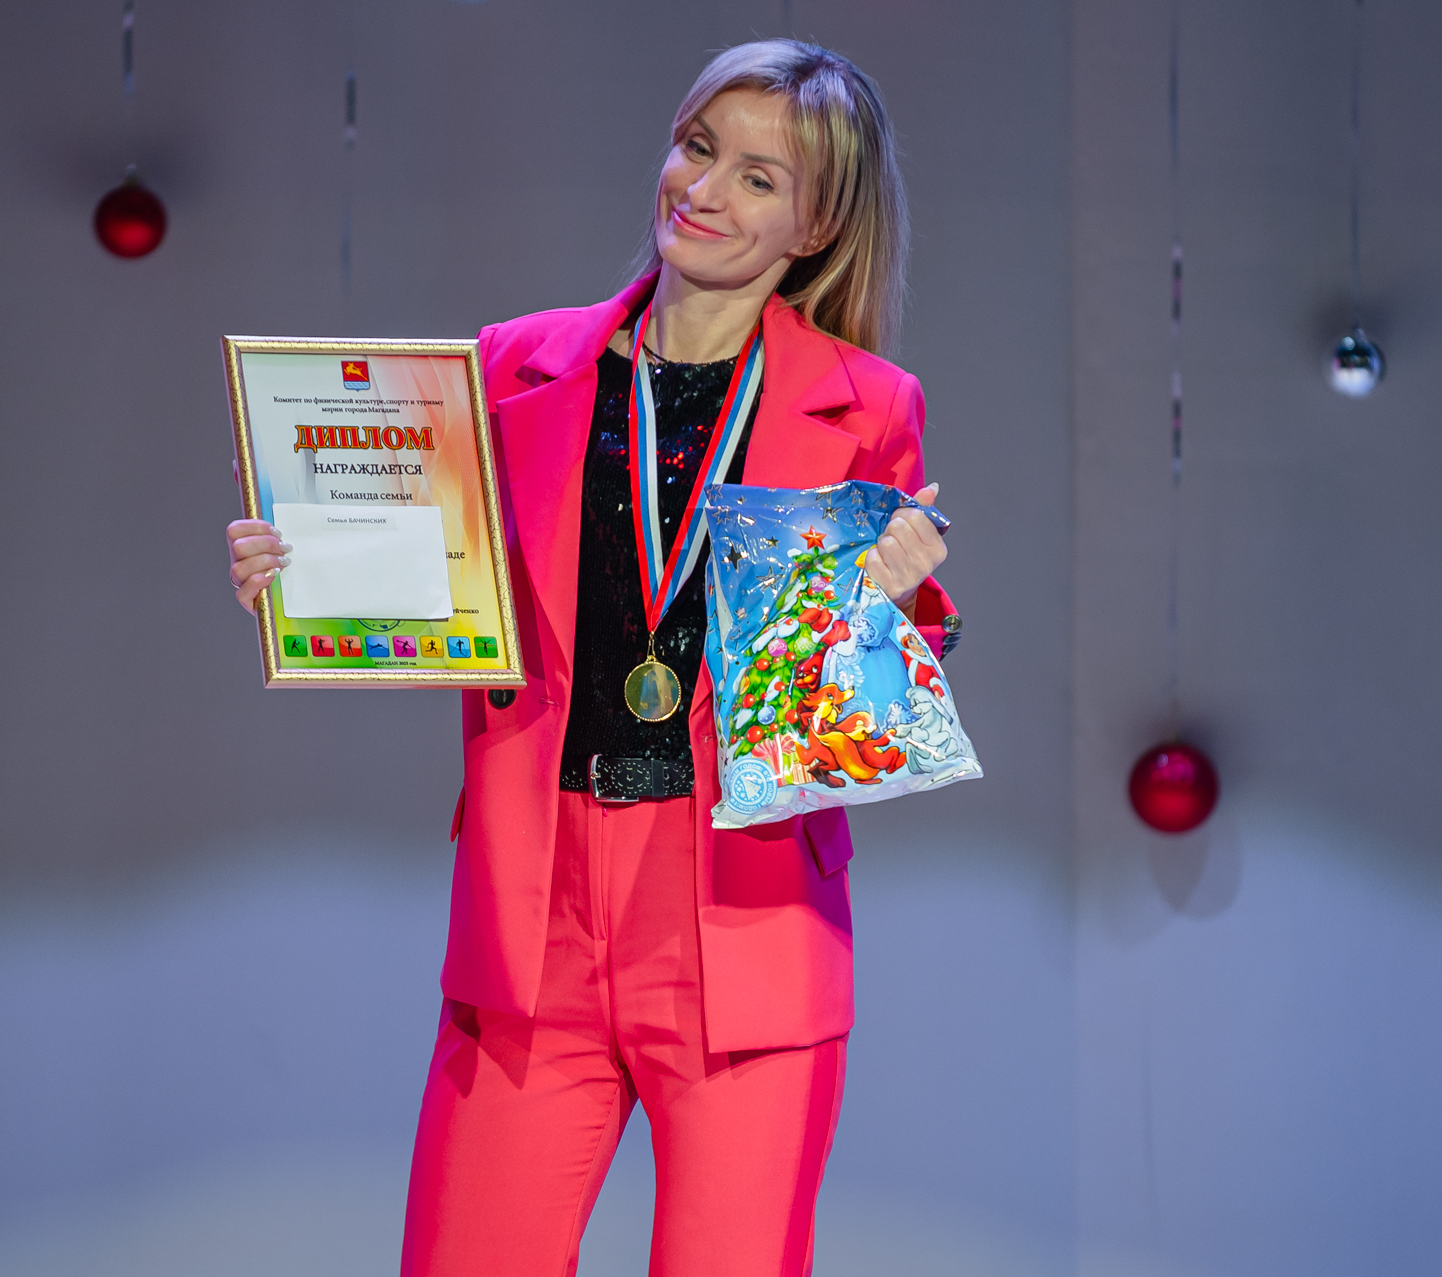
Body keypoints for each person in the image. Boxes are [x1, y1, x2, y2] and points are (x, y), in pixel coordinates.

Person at [228, 38, 958, 1277]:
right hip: (535, 904)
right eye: (697, 148)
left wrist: (886, 608)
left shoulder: (869, 403)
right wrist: (300, 568)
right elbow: (423, 581)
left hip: (741, 911)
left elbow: (869, 700)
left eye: (758, 179)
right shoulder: (512, 364)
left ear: (818, 225)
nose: (704, 190)